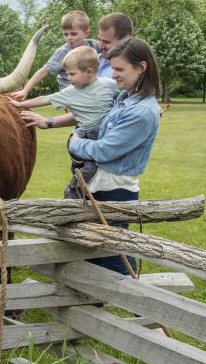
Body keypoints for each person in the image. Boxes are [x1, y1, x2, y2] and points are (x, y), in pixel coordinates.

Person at [22, 37, 161, 276]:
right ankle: (96, 301)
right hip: (99, 182)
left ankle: (136, 303)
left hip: (114, 188)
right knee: (94, 248)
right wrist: (49, 122)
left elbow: (105, 150)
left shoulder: (141, 112)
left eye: (119, 69)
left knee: (113, 253)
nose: (113, 74)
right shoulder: (124, 97)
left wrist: (75, 143)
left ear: (142, 67)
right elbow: (89, 113)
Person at [7, 45, 118, 199]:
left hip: (103, 134)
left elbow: (125, 96)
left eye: (72, 74)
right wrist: (20, 104)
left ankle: (84, 195)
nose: (68, 78)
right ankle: (72, 191)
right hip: (85, 135)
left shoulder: (109, 85)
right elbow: (45, 99)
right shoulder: (71, 92)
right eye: (67, 74)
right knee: (91, 169)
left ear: (89, 72)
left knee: (98, 169)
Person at [11, 10, 99, 101]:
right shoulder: (63, 52)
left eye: (73, 34)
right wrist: (25, 90)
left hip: (89, 90)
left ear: (86, 33)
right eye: (65, 34)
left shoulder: (94, 45)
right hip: (70, 94)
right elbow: (43, 71)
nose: (69, 38)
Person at [95, 12, 134, 78]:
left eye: (106, 42)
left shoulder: (131, 70)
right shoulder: (96, 60)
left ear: (125, 40)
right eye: (99, 40)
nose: (101, 46)